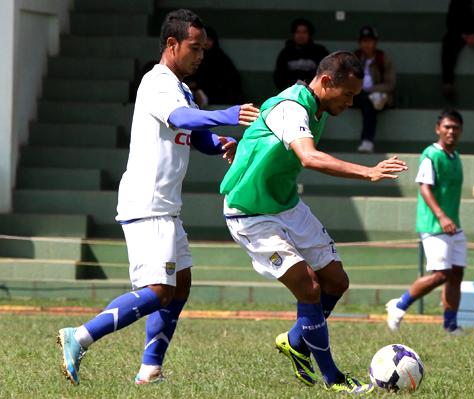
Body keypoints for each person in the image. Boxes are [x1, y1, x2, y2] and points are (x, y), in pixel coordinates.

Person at [56, 9, 259, 386]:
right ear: (172, 44)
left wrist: (220, 144)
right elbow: (182, 119)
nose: (200, 55)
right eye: (194, 48)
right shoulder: (157, 83)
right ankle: (80, 336)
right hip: (148, 203)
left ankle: (150, 369)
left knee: (179, 285)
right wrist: (228, 114)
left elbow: (194, 134)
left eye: (203, 49)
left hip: (166, 206)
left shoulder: (180, 88)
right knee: (159, 290)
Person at [220, 51, 408, 394]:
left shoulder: (315, 108)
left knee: (336, 281)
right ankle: (333, 378)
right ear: (325, 82)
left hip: (286, 205)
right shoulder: (292, 107)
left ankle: (295, 341)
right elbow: (308, 156)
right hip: (250, 213)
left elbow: (263, 135)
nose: (351, 103)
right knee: (309, 286)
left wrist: (243, 147)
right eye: (348, 94)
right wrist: (369, 171)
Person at [386, 109, 466, 336]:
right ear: (438, 128)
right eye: (447, 127)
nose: (451, 131)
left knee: (457, 273)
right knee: (440, 274)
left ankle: (451, 325)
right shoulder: (430, 154)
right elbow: (424, 187)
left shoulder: (455, 156)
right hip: (434, 225)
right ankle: (399, 305)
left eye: (455, 127)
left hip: (454, 225)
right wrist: (441, 216)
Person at [353, 26, 396, 153]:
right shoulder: (353, 58)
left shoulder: (383, 58)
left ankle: (367, 141)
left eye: (370, 41)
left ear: (375, 42)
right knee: (368, 100)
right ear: (359, 42)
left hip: (376, 96)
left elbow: (390, 84)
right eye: (364, 41)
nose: (367, 44)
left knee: (369, 103)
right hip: (356, 94)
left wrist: (372, 89)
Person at [184, 26, 243, 107]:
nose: (207, 43)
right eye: (205, 40)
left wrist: (199, 86)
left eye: (209, 40)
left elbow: (225, 80)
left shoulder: (220, 58)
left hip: (218, 93)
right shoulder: (197, 56)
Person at [273, 18, 329, 91]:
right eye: (298, 32)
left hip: (313, 92)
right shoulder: (285, 53)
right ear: (293, 34)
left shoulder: (320, 52)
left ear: (309, 34)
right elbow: (279, 76)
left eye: (304, 32)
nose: (301, 35)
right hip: (290, 92)